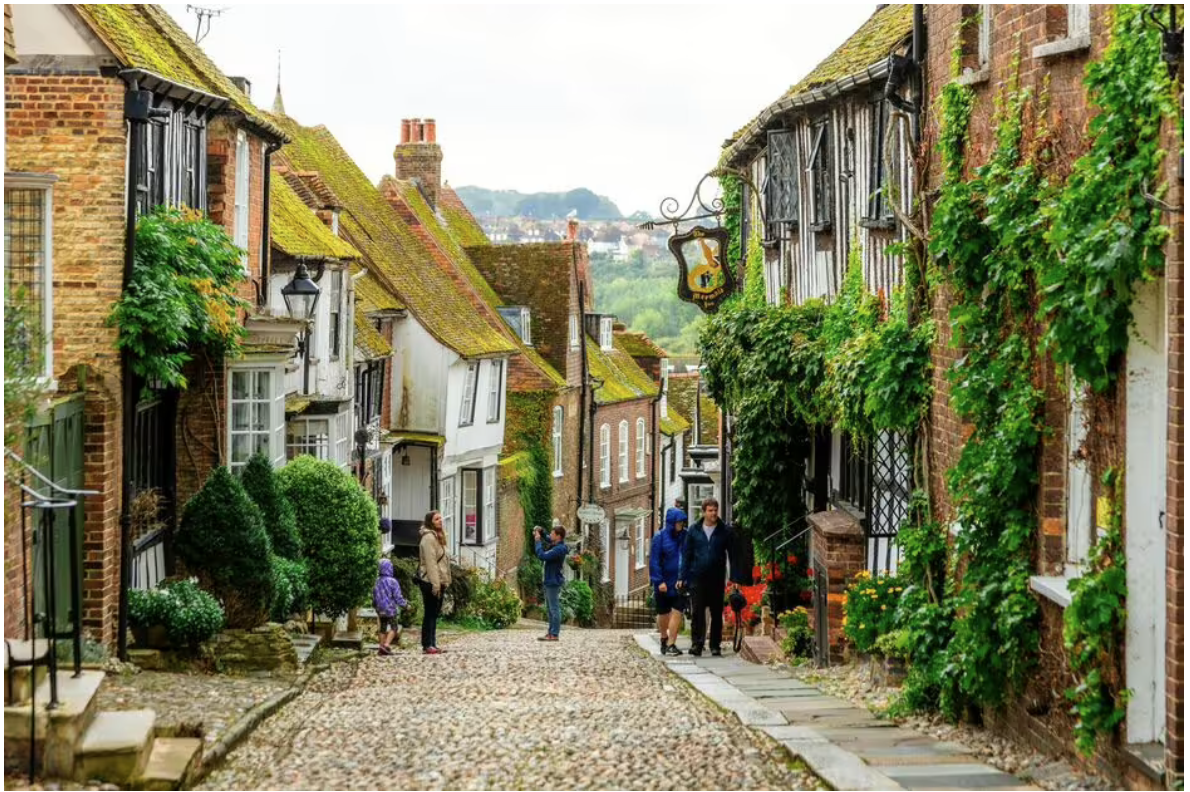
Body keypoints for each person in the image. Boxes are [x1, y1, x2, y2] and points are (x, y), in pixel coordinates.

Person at [679, 497, 744, 657]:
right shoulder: (694, 530)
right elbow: (686, 555)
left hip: (716, 577)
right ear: (704, 512)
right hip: (697, 577)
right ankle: (697, 644)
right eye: (710, 510)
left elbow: (733, 555)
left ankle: (715, 645)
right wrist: (682, 576)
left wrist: (735, 578)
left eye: (715, 510)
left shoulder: (725, 531)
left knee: (716, 613)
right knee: (697, 613)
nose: (714, 513)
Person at [650, 506, 688, 656]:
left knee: (678, 611)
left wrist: (685, 577)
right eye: (679, 522)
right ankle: (664, 638)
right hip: (664, 582)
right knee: (663, 612)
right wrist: (659, 581)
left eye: (682, 522)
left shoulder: (685, 536)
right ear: (672, 522)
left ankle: (671, 643)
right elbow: (654, 561)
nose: (681, 525)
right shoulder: (659, 538)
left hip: (679, 582)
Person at [417, 510, 452, 655]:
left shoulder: (438, 537)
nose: (440, 520)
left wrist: (446, 580)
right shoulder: (428, 539)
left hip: (440, 581)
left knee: (434, 613)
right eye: (437, 519)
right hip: (430, 582)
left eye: (440, 518)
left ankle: (432, 642)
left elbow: (444, 561)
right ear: (430, 522)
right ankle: (427, 644)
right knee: (430, 613)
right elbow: (431, 563)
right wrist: (435, 585)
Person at [534, 525, 568, 642]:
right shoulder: (557, 544)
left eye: (553, 534)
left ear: (558, 536)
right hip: (549, 580)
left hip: (553, 581)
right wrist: (542, 532)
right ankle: (550, 633)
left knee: (554, 608)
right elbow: (548, 538)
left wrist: (538, 541)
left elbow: (542, 555)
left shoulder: (559, 549)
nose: (551, 535)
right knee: (550, 608)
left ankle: (554, 634)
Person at [372, 558, 408, 656]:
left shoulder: (377, 581)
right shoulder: (393, 582)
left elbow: (374, 595)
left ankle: (381, 646)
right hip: (390, 609)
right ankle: (386, 645)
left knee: (382, 628)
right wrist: (405, 605)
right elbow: (397, 597)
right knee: (394, 627)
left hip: (380, 609)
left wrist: (375, 606)